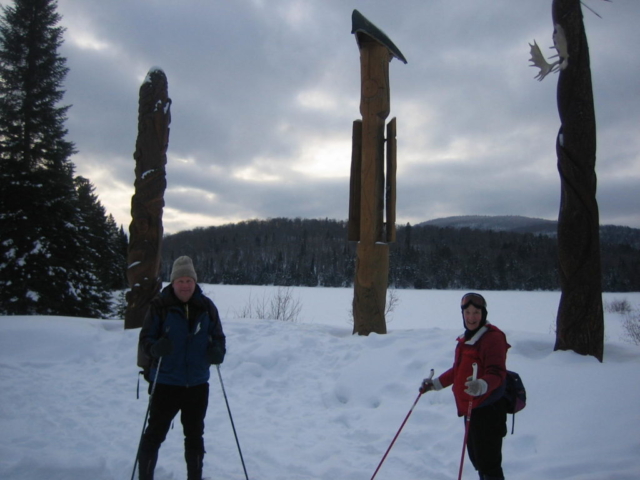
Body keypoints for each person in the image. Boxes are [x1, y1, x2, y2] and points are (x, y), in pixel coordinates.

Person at [138, 256, 226, 480]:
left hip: (196, 384)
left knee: (195, 436)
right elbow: (145, 340)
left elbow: (218, 338)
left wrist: (218, 351)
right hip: (166, 382)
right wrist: (155, 348)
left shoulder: (206, 307)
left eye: (189, 280)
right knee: (154, 434)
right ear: (173, 282)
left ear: (195, 282)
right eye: (181, 281)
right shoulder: (160, 306)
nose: (185, 285)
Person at [420, 292, 510, 480]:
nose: (471, 317)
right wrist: (434, 384)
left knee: (489, 463)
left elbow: (497, 372)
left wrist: (482, 385)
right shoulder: (466, 339)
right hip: (471, 409)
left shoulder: (493, 338)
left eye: (476, 312)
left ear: (483, 313)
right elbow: (457, 370)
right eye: (467, 312)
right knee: (478, 460)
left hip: (488, 408)